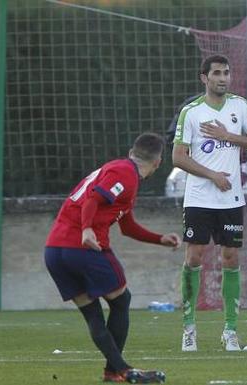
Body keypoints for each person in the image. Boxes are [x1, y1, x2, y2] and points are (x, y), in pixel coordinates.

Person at [44, 133, 181, 383]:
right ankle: (117, 370)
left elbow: (127, 227)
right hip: (83, 248)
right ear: (158, 162)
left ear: (132, 151)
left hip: (55, 250)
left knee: (93, 313)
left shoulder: (117, 170)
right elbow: (93, 200)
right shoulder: (125, 173)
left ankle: (116, 371)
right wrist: (86, 229)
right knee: (121, 300)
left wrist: (159, 238)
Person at [172, 55, 247, 352]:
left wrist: (228, 136)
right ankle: (189, 329)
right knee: (194, 257)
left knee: (231, 259)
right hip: (200, 197)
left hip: (231, 198)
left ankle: (230, 330)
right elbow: (178, 157)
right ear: (204, 78)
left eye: (227, 72)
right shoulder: (192, 112)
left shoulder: (240, 106)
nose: (223, 78)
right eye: (217, 73)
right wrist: (212, 175)